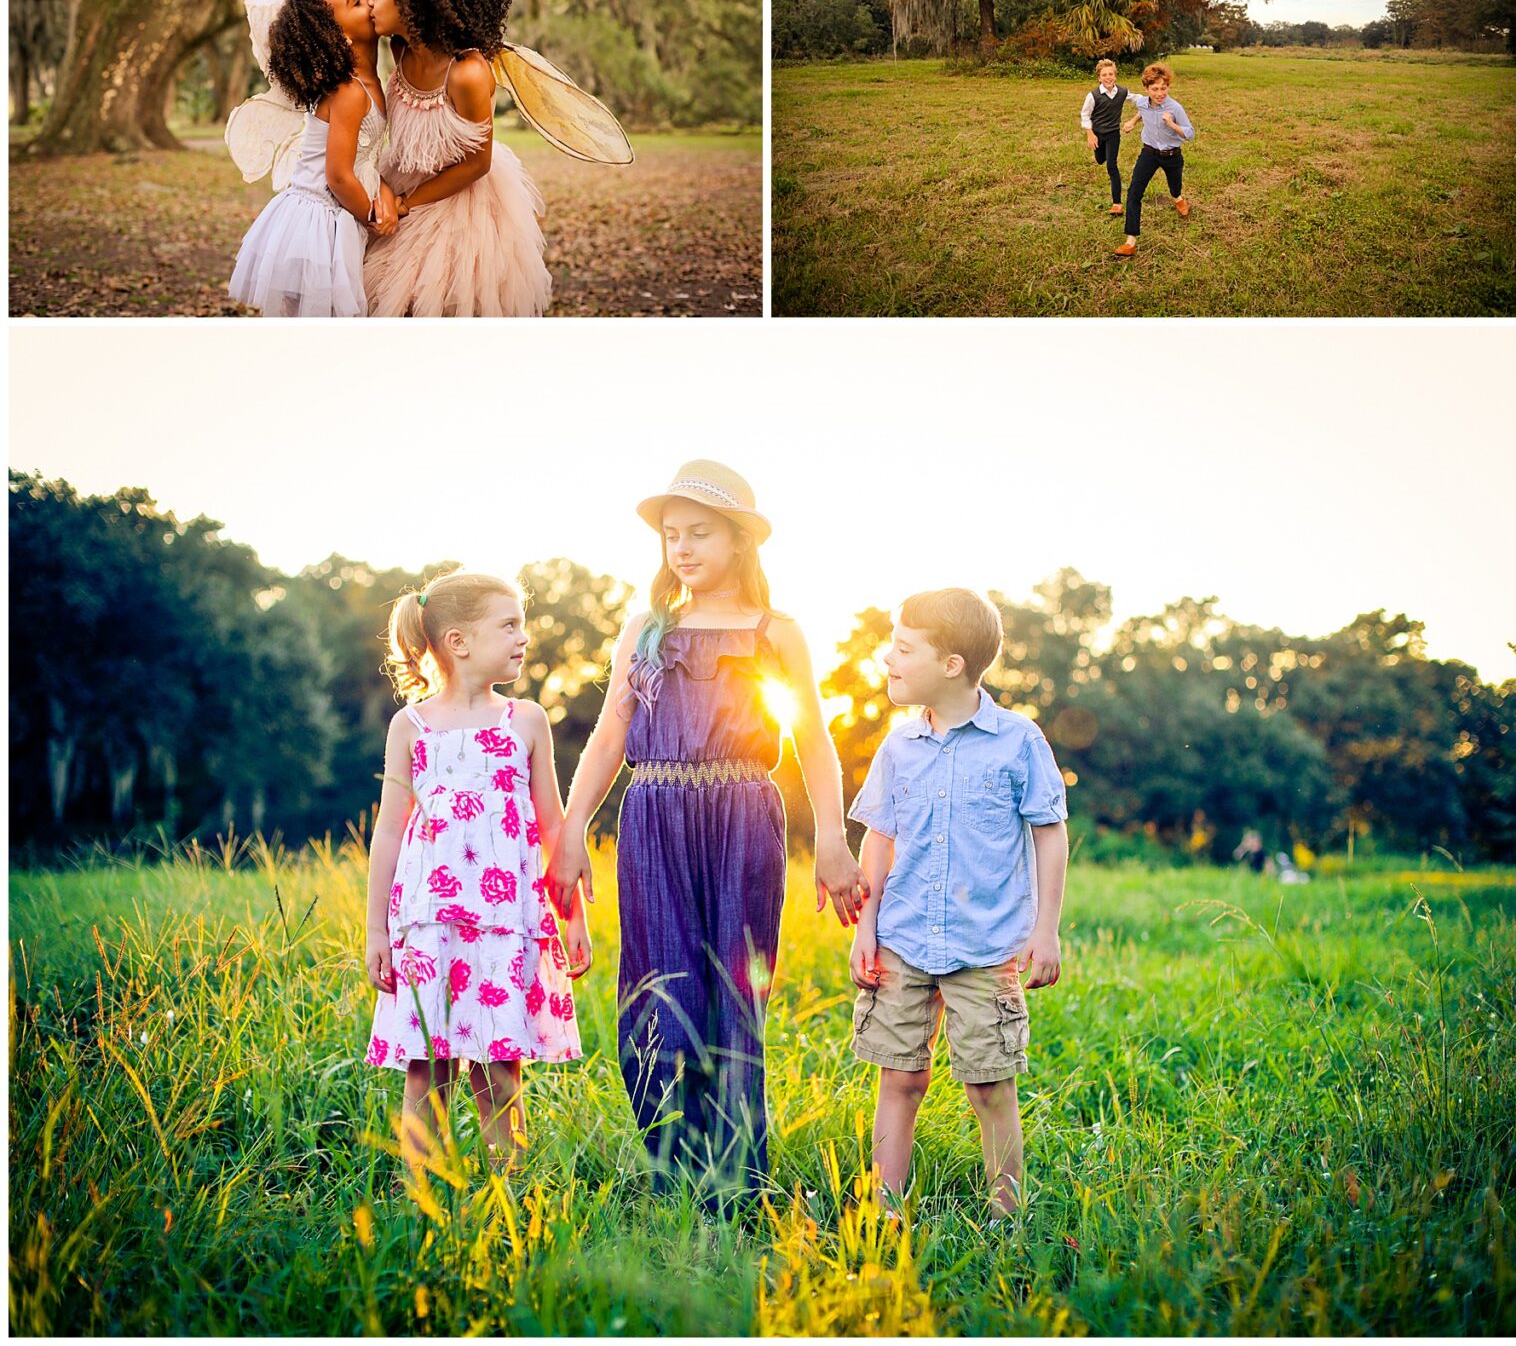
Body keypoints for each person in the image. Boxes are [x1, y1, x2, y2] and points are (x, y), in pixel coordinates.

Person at [545, 461, 867, 1204]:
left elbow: (815, 740)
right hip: (654, 817)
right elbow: (607, 737)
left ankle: (735, 1181)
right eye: (670, 536)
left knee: (733, 993)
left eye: (699, 533)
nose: (681, 548)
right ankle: (671, 1171)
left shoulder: (775, 631)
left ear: (740, 542)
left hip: (743, 819)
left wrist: (832, 839)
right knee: (659, 993)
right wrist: (570, 830)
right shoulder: (646, 629)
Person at [849, 589, 1068, 1222]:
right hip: (905, 936)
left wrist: (1045, 928)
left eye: (903, 646)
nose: (887, 657)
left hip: (985, 945)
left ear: (950, 664)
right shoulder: (899, 746)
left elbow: (1048, 831)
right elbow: (880, 840)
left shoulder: (1017, 741)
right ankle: (885, 1210)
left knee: (989, 1085)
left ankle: (1007, 1216)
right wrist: (867, 927)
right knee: (900, 1077)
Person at [365, 570, 588, 1177]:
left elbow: (553, 830)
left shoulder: (526, 721)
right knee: (427, 1067)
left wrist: (573, 921)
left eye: (523, 624)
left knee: (500, 1064)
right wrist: (377, 931)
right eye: (509, 625)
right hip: (429, 922)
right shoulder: (410, 727)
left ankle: (505, 1193)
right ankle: (421, 1197)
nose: (524, 637)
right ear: (459, 641)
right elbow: (388, 831)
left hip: (505, 921)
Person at [358, 0, 551, 317]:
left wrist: (408, 205)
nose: (369, 0)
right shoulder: (398, 48)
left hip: (458, 202)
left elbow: (477, 163)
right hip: (403, 181)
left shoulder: (467, 73)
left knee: (440, 301)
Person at [225, 0, 395, 317]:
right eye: (354, 2)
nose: (369, 0)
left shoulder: (369, 82)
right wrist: (374, 217)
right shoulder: (349, 92)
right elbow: (337, 176)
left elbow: (364, 156)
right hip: (318, 219)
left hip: (333, 212)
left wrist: (383, 189)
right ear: (339, 38)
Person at [1114, 60, 1195, 257]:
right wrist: (1133, 121)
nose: (1160, 93)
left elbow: (1190, 133)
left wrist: (1172, 124)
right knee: (1134, 192)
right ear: (1147, 88)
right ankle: (1130, 241)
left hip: (1172, 155)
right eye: (1155, 88)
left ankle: (1178, 198)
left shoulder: (1175, 108)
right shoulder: (1143, 102)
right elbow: (1143, 109)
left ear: (1168, 87)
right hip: (1149, 153)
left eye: (1163, 88)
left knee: (1174, 186)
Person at [1078, 52, 1127, 215]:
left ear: (1115, 76)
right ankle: (1102, 152)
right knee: (1100, 160)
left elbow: (1138, 99)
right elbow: (1085, 115)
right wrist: (1090, 134)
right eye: (1104, 75)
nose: (1108, 77)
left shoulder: (1122, 92)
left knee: (1111, 165)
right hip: (1098, 133)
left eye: (1111, 74)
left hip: (1113, 133)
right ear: (1099, 78)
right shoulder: (1093, 96)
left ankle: (1117, 204)